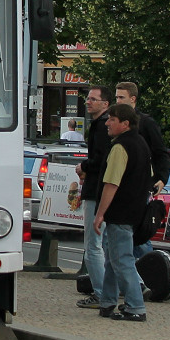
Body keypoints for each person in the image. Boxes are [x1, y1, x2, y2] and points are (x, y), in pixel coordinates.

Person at [94, 103, 153, 322]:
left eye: (112, 119)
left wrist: (100, 214)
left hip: (120, 212)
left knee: (122, 260)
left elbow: (111, 183)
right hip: (135, 211)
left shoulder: (121, 147)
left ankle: (135, 306)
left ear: (125, 124)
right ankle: (108, 301)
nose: (107, 123)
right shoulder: (142, 144)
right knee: (112, 258)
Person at [115, 81, 169, 257]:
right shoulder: (114, 122)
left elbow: (161, 152)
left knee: (139, 234)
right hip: (119, 184)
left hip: (140, 185)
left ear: (133, 99)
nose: (118, 101)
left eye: (121, 97)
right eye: (116, 97)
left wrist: (161, 178)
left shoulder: (145, 123)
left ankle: (148, 273)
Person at [75, 87, 111, 308]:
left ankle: (100, 293)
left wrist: (83, 166)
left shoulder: (100, 127)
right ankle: (125, 286)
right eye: (87, 98)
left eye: (94, 99)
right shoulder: (103, 126)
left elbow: (100, 159)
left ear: (105, 104)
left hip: (96, 190)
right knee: (108, 244)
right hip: (100, 188)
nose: (88, 102)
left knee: (93, 246)